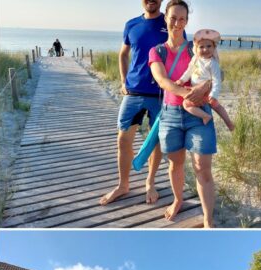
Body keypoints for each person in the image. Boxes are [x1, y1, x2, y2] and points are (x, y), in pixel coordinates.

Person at [100, 0, 206, 207]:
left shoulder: (170, 22)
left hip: (161, 94)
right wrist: (123, 81)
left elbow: (183, 55)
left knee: (156, 141)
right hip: (133, 92)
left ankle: (150, 183)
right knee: (123, 139)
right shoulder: (132, 24)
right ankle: (123, 184)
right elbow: (123, 54)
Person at [149, 0, 218, 227]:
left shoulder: (196, 47)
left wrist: (205, 87)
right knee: (175, 163)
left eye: (182, 19)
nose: (177, 23)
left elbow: (214, 73)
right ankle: (178, 199)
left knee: (202, 167)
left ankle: (208, 221)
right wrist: (189, 92)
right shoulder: (157, 51)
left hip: (199, 113)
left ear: (187, 21)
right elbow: (162, 80)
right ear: (165, 19)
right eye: (173, 18)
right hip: (170, 115)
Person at [175, 29, 235, 130]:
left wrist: (213, 95)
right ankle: (210, 117)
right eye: (201, 47)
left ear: (214, 47)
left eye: (209, 46)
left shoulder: (212, 63)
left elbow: (217, 80)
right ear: (196, 48)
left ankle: (224, 121)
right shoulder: (195, 59)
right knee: (215, 106)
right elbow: (189, 71)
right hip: (196, 90)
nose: (205, 49)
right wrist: (181, 80)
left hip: (207, 92)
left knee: (189, 104)